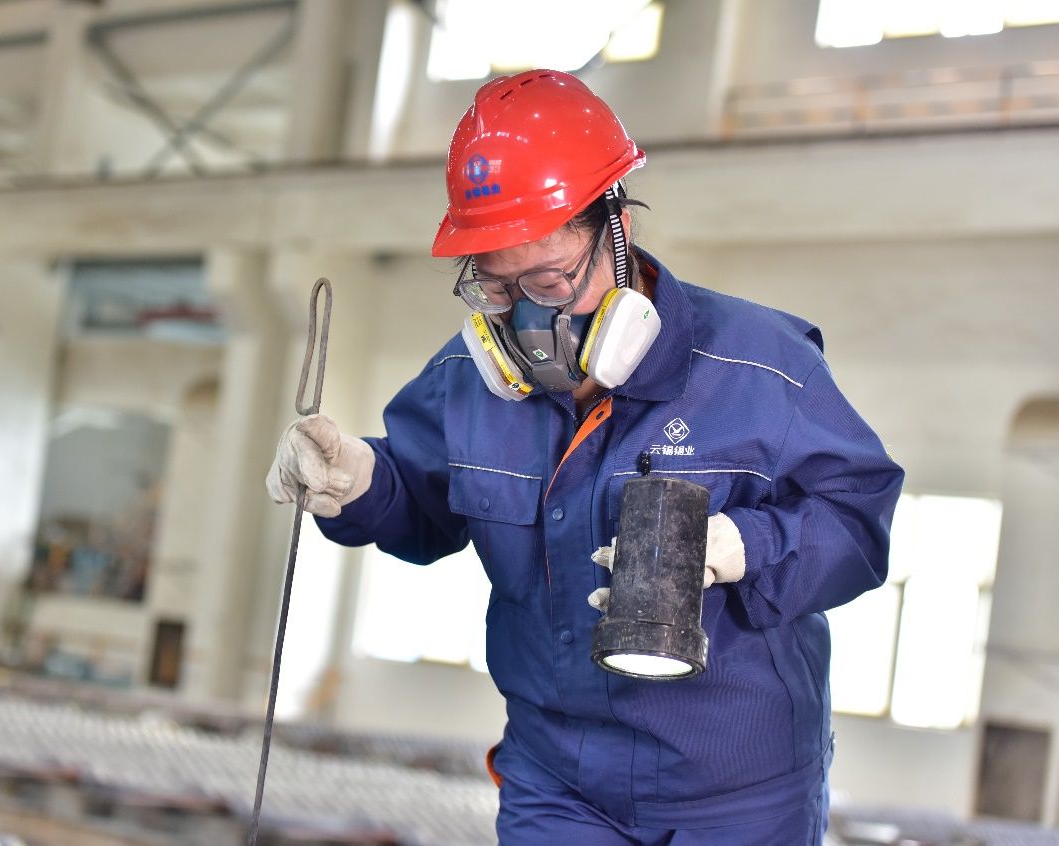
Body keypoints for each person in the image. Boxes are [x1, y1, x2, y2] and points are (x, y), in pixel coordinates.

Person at [266, 69, 903, 845]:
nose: (529, 317)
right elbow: (421, 504)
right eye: (497, 288)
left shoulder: (763, 368)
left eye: (549, 279)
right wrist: (359, 479)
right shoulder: (463, 380)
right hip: (558, 782)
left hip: (737, 793)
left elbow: (856, 524)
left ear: (617, 231)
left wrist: (747, 544)